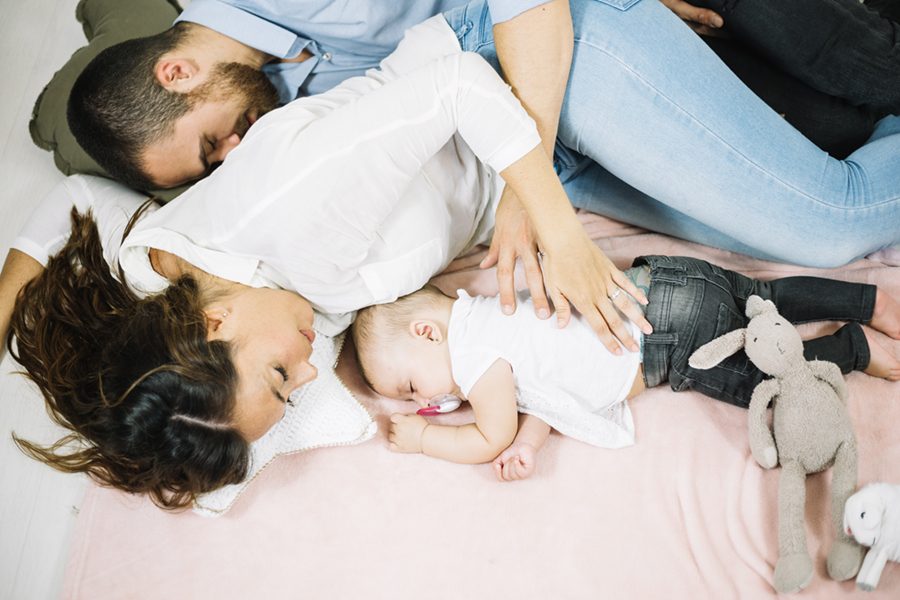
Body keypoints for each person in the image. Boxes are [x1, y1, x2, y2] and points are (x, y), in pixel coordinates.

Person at [64, 0, 900, 272]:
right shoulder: (267, 100)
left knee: (827, 224)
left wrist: (520, 177)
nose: (236, 155)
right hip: (540, 141)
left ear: (176, 75)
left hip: (553, 51)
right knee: (751, 233)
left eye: (211, 145)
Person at [350, 257, 900, 480]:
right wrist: (531, 445)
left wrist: (426, 438)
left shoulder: (470, 359)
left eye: (410, 386)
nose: (424, 402)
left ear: (429, 333)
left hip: (665, 340)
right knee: (764, 297)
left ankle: (854, 349)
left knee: (765, 381)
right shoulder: (493, 315)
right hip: (663, 282)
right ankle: (867, 302)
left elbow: (489, 436)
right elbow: (544, 392)